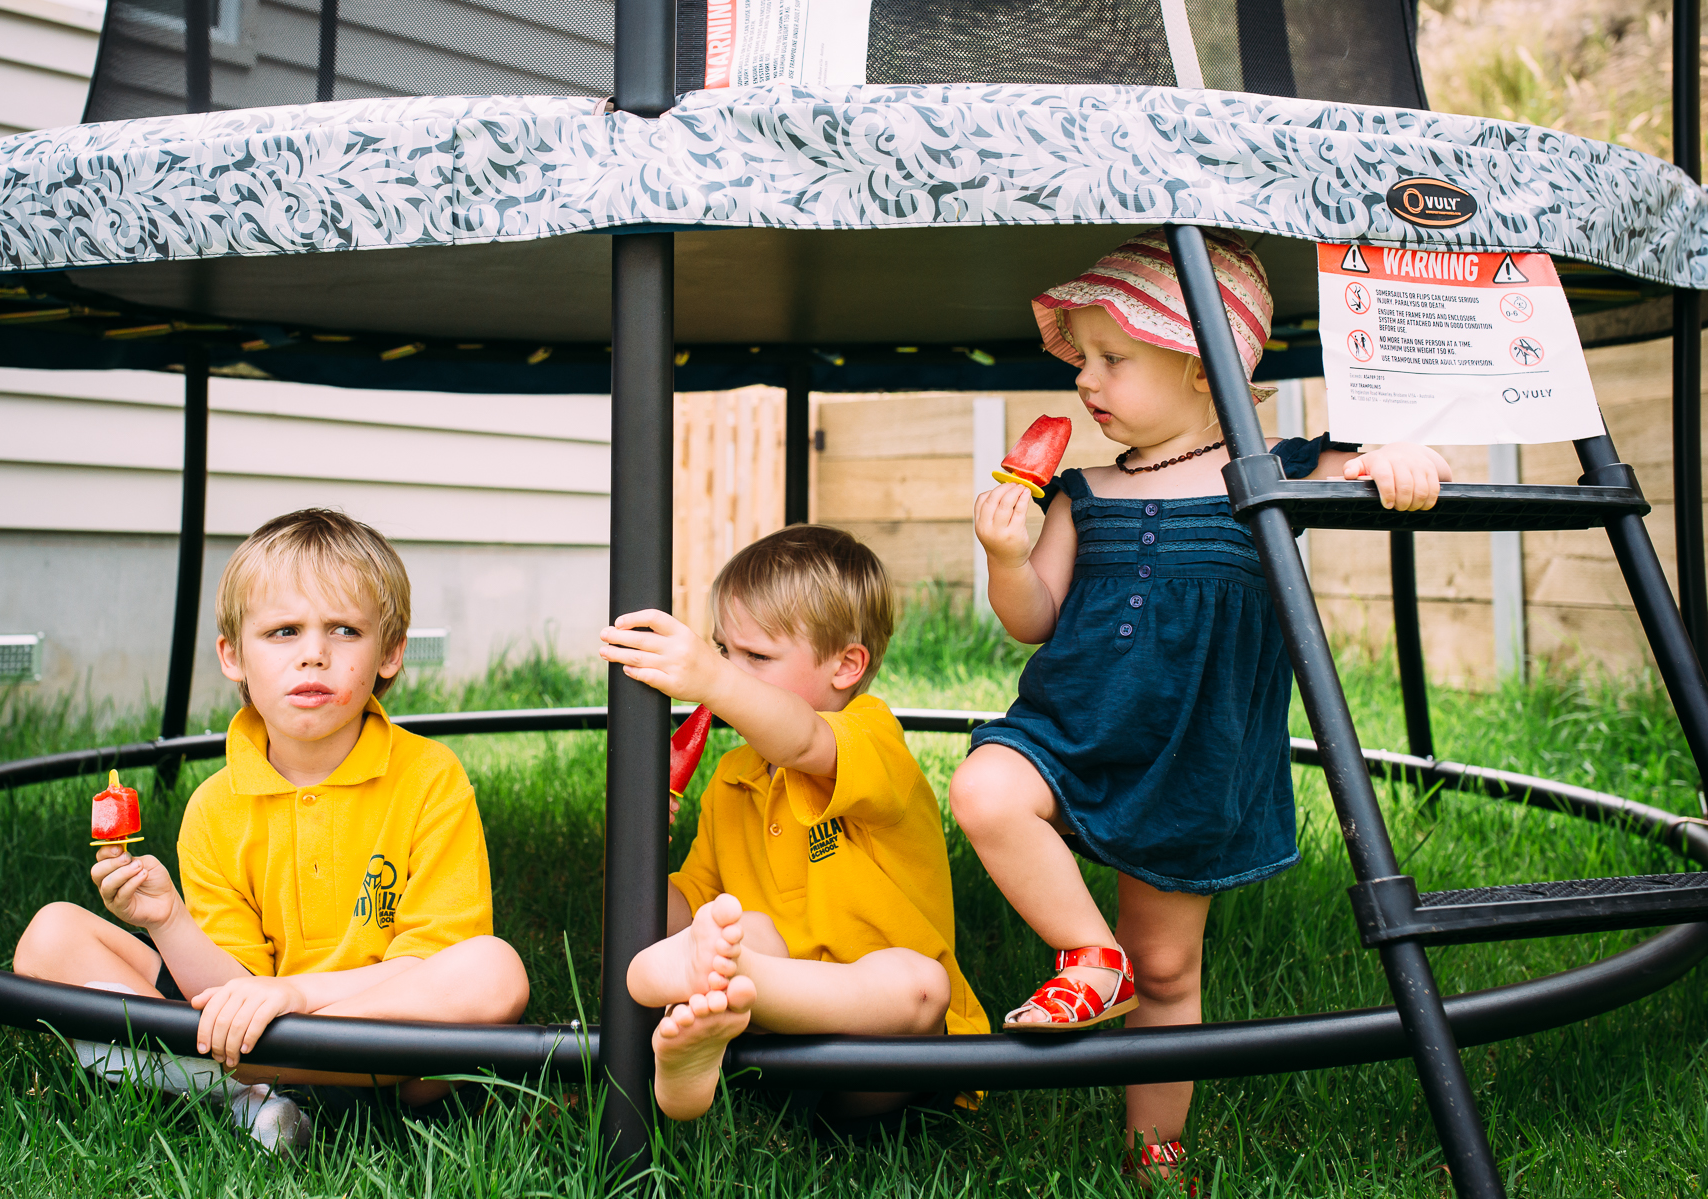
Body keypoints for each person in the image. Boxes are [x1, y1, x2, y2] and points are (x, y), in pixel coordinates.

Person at [947, 230, 1449, 1187]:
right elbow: (1033, 620)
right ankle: (1089, 955)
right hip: (1071, 730)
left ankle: (1155, 1146)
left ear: (1196, 362)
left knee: (1171, 969)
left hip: (1194, 754)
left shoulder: (1274, 470)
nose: (1086, 380)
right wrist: (1006, 557)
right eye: (1082, 358)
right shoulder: (1081, 491)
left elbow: (1377, 460)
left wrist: (1404, 457)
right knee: (984, 791)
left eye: (1113, 358)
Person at [13, 509, 529, 1150]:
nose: (314, 653)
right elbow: (225, 994)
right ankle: (255, 1103)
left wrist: (294, 996)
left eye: (345, 630)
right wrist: (166, 918)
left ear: (390, 651)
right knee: (50, 935)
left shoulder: (430, 778)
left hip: (385, 1054)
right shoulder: (213, 807)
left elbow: (434, 962)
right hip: (246, 1022)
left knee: (493, 969)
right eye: (283, 631)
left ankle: (224, 1084)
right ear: (233, 656)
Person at [599, 525, 990, 1128]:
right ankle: (710, 1022)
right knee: (738, 923)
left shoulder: (871, 736)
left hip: (888, 1061)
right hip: (775, 1056)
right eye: (723, 651)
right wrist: (637, 847)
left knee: (919, 982)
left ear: (846, 666)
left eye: (756, 657)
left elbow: (802, 737)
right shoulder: (734, 777)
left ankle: (734, 985)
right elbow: (685, 909)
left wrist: (710, 679)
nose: (730, 671)